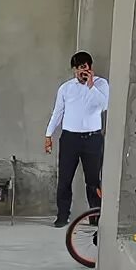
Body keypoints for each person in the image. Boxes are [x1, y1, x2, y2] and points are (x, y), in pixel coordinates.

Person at [44, 50, 110, 227]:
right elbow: (57, 112)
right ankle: (62, 215)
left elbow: (104, 106)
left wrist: (90, 85)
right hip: (69, 139)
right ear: (74, 70)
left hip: (92, 139)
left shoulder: (100, 85)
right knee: (65, 178)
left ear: (90, 67)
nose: (82, 72)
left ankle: (95, 216)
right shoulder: (66, 88)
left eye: (85, 68)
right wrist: (48, 134)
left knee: (93, 180)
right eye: (78, 69)